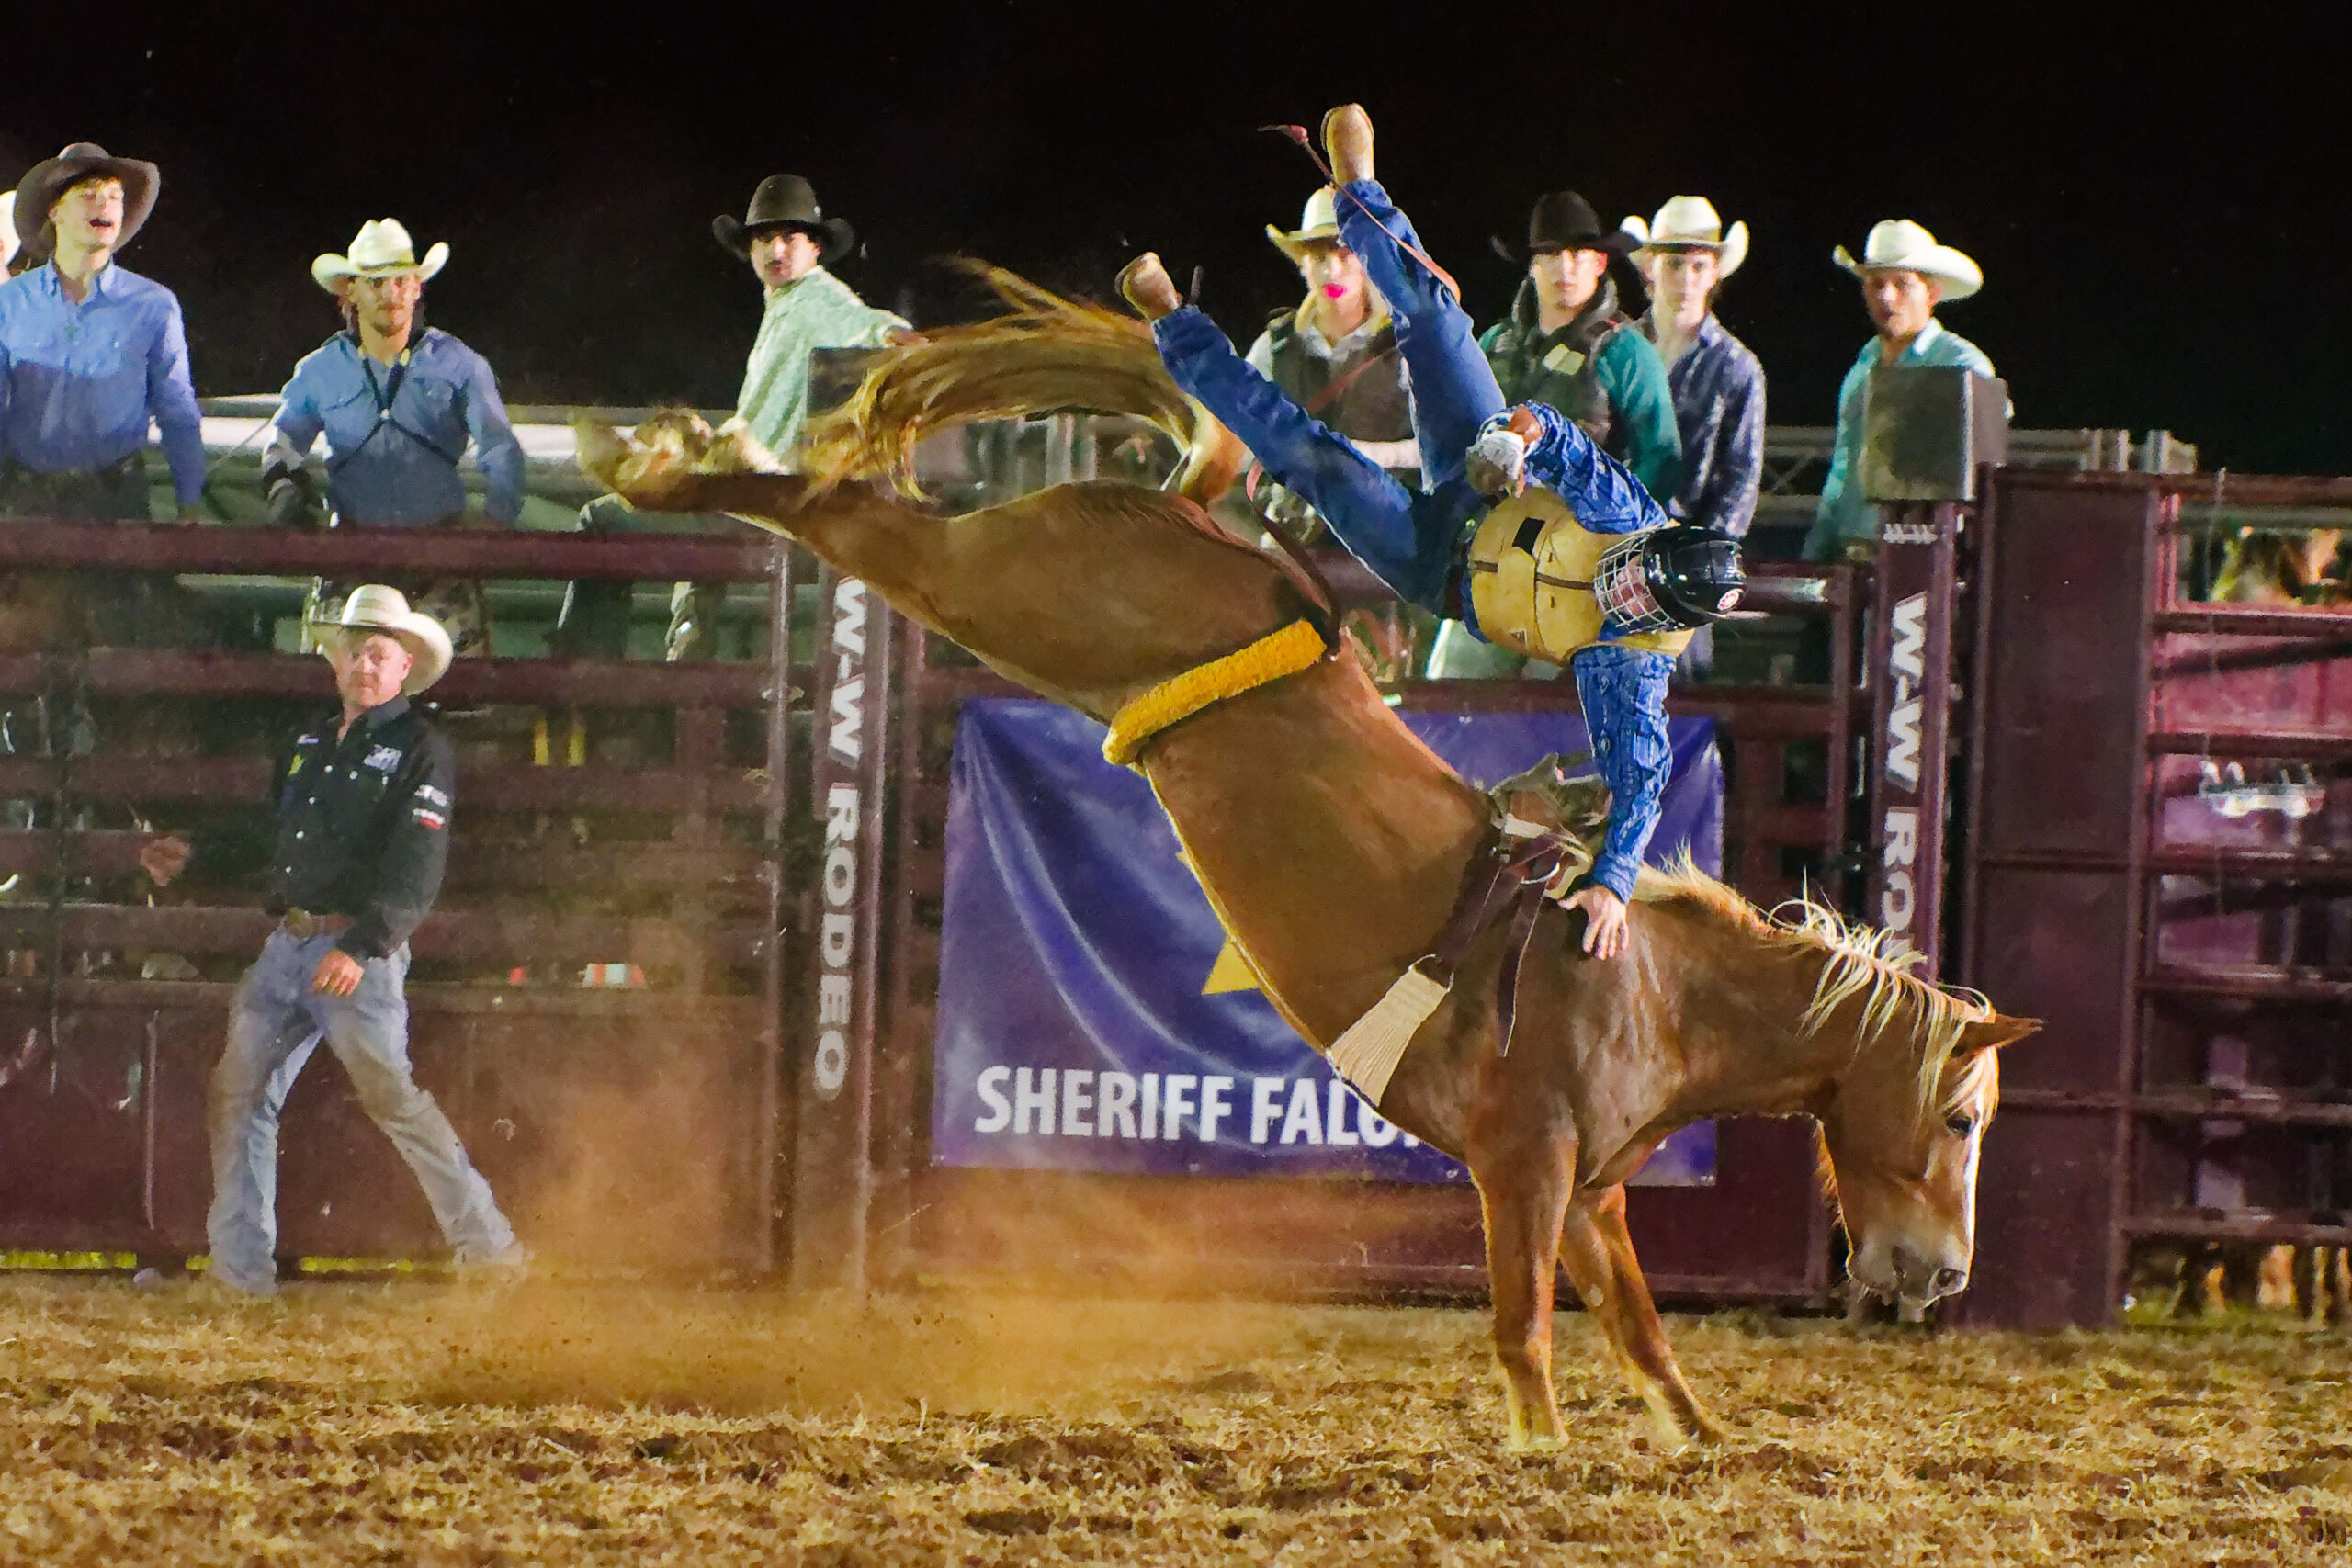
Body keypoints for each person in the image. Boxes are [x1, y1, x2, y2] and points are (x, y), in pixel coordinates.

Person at [1119, 105, 1743, 960]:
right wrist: (1515, 440)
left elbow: (1641, 780)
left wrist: (1612, 882)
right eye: (1639, 569)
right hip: (1485, 482)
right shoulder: (1624, 513)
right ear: (1651, 544)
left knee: (1318, 462)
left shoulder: (1628, 666)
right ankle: (1359, 190)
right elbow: (1554, 434)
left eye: (1638, 599)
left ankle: (1176, 329)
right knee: (1438, 323)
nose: (1624, 587)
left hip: (1436, 569)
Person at [139, 587, 524, 1296]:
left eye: (377, 653)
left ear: (403, 666)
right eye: (354, 651)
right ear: (339, 661)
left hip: (351, 949)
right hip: (293, 942)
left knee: (381, 1096)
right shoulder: (311, 742)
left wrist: (367, 943)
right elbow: (273, 837)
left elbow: (417, 864)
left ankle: (491, 1250)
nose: (364, 665)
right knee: (242, 1092)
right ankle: (239, 1270)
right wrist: (197, 854)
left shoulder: (420, 750)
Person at [559, 175, 910, 660]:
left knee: (602, 519)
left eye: (789, 237)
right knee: (692, 535)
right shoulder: (789, 307)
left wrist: (901, 341)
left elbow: (875, 326)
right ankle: (687, 668)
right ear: (750, 250)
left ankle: (581, 669)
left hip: (758, 500)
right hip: (754, 495)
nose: (775, 249)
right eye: (764, 238)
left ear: (814, 249)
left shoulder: (816, 300)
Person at [1428, 190, 1681, 679]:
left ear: (1600, 262)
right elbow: (1457, 439)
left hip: (1582, 570)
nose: (1565, 267)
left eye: (1578, 254)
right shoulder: (1494, 344)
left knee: (1563, 706)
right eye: (1550, 255)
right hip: (1492, 557)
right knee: (1447, 691)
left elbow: (1662, 456)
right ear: (1532, 266)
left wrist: (1610, 533)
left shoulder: (1624, 350)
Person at [264, 220, 524, 657]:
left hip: (440, 557)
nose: (392, 293)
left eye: (402, 280)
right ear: (350, 292)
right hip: (351, 553)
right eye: (377, 282)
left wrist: (494, 523)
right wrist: (282, 487)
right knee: (330, 691)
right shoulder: (318, 370)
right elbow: (284, 442)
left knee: (463, 696)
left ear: (417, 288)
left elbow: (501, 448)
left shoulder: (461, 365)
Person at [1624, 197, 1766, 680]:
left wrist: (1706, 558)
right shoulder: (1617, 348)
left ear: (1713, 276)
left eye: (1697, 266)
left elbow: (1741, 478)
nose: (1686, 279)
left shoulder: (1736, 367)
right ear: (1650, 270)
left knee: (1679, 700)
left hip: (1684, 558)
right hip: (1608, 546)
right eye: (1675, 264)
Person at [1804, 220, 1993, 563]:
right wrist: (1816, 554)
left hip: (1925, 556)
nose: (1886, 297)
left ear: (1931, 294)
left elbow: (1982, 469)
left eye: (1902, 284)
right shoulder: (1863, 366)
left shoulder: (1961, 364)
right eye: (1876, 284)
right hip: (1856, 553)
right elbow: (1843, 471)